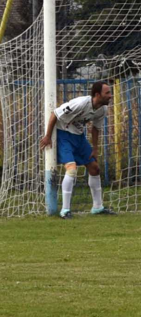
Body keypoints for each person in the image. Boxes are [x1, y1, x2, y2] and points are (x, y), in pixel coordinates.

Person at [39, 81, 115, 218]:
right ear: (97, 94)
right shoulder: (80, 103)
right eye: (107, 93)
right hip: (64, 135)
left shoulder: (102, 109)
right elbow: (55, 114)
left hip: (79, 137)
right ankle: (65, 210)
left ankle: (97, 207)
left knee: (94, 168)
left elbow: (95, 129)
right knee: (72, 169)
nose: (110, 96)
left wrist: (95, 148)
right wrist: (48, 136)